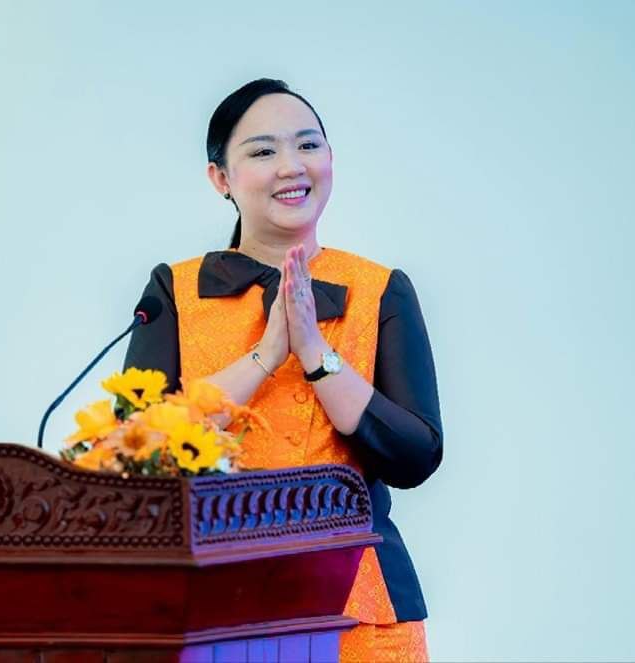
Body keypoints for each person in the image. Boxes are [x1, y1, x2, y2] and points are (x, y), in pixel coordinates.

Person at [123, 78, 443, 662]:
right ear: (221, 177)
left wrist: (318, 355)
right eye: (263, 151)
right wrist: (266, 356)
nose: (291, 166)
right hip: (207, 607)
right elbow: (136, 452)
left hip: (361, 611)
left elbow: (415, 456)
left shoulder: (380, 289)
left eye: (308, 145)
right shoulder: (174, 290)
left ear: (330, 158)